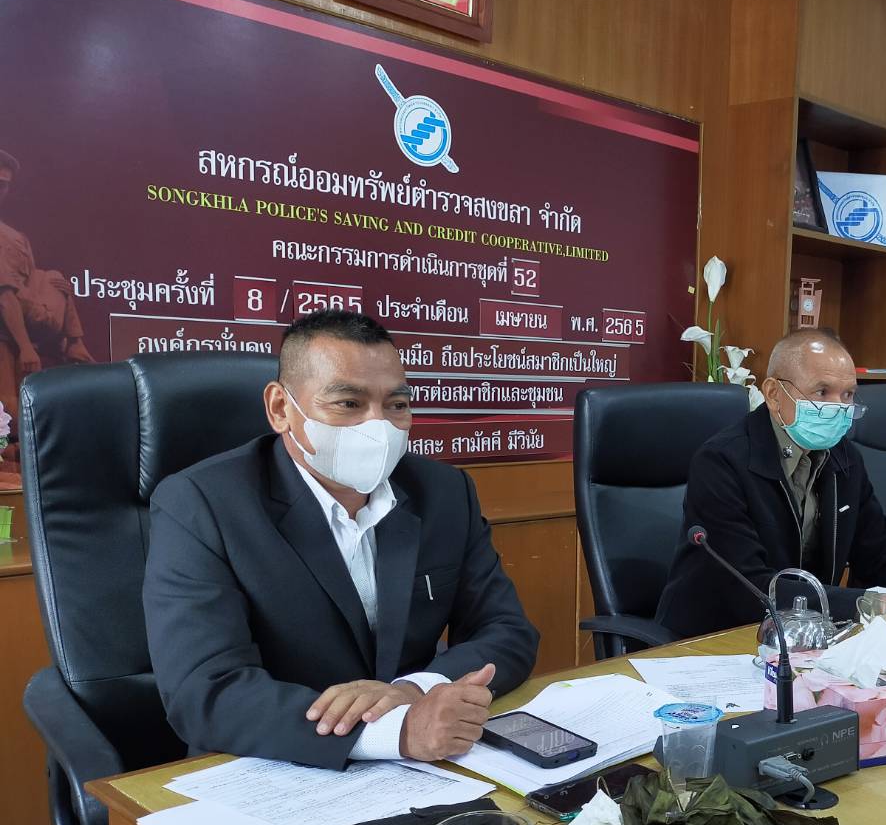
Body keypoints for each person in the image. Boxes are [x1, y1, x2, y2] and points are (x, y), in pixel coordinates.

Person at [143, 310, 539, 768]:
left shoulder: (444, 493)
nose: (379, 426)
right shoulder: (200, 504)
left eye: (397, 405)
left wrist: (413, 690)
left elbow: (507, 630)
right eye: (349, 403)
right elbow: (205, 692)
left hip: (424, 764)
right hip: (269, 765)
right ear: (280, 408)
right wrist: (392, 732)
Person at [657, 330, 886, 640]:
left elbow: (883, 551)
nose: (838, 408)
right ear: (774, 394)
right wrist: (879, 604)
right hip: (714, 638)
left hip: (802, 635)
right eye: (822, 392)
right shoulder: (722, 462)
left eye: (848, 395)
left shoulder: (843, 458)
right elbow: (748, 587)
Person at [0, 149, 94, 444]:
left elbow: (29, 282)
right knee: (10, 412)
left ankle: (75, 342)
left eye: (4, 185)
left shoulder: (15, 236)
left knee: (54, 277)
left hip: (26, 314)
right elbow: (5, 294)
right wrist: (26, 347)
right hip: (8, 326)